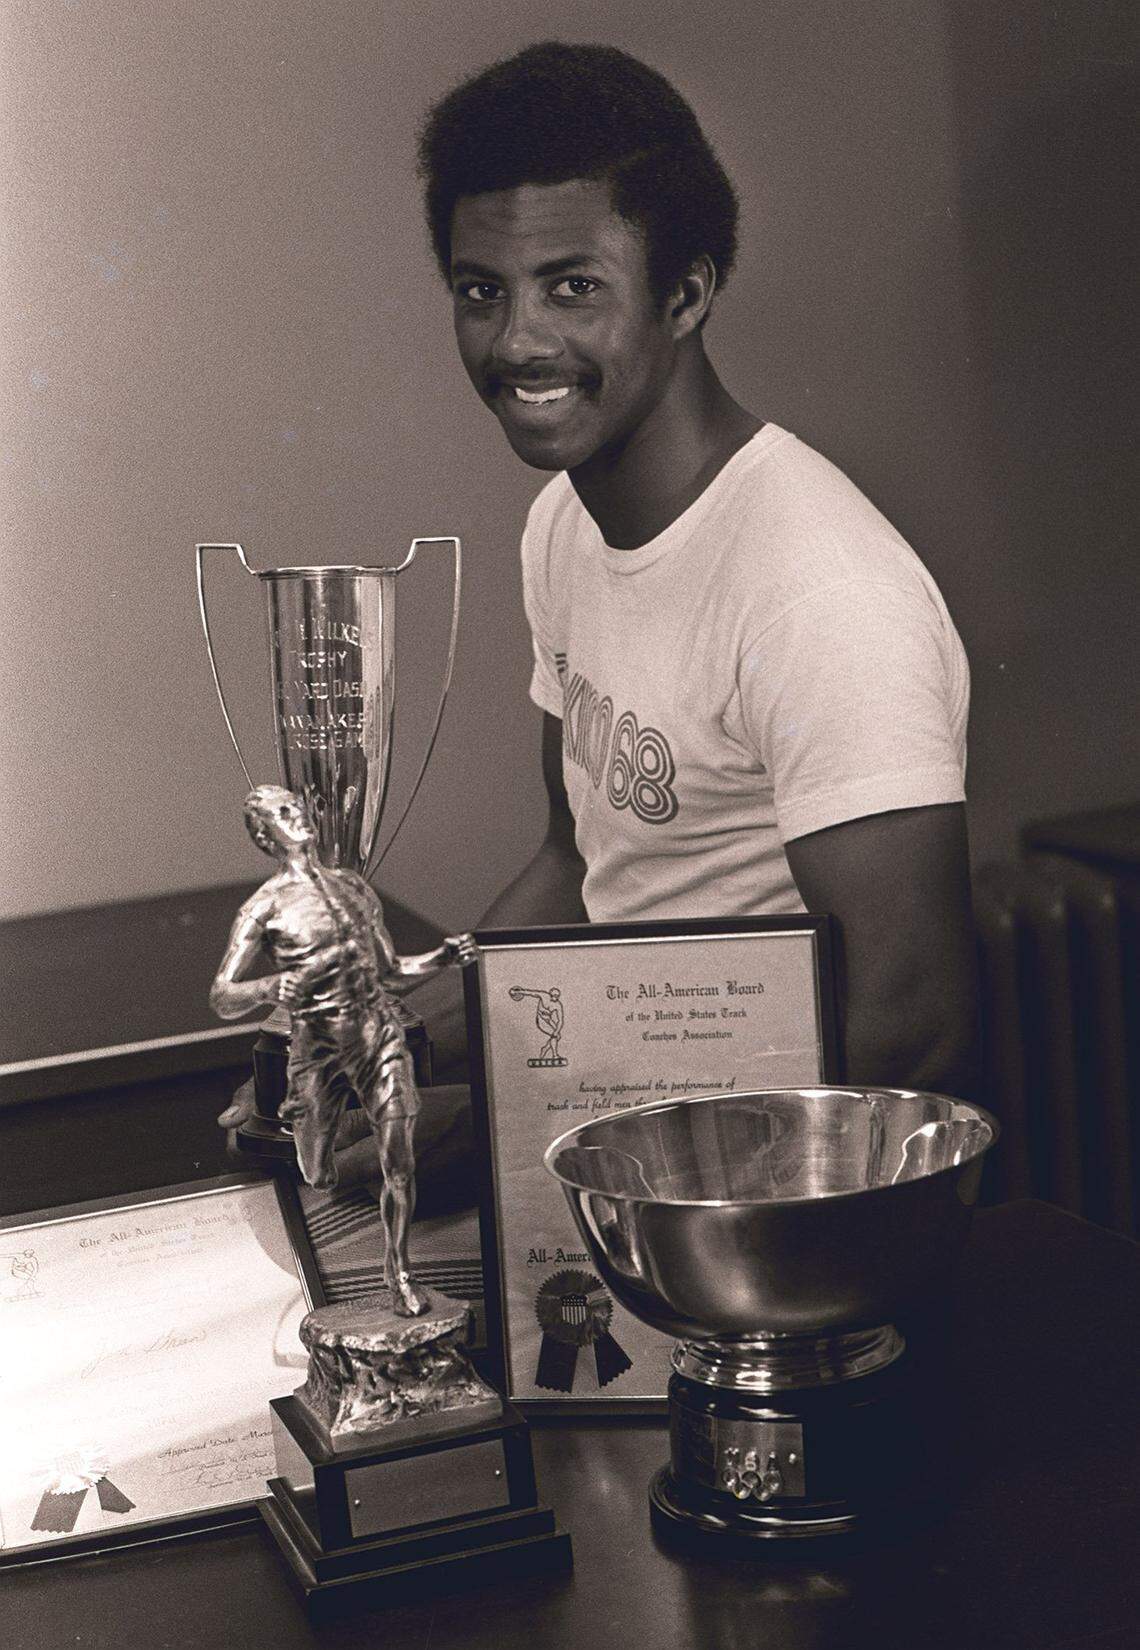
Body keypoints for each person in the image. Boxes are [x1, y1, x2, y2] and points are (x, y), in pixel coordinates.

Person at [415, 41, 977, 1096]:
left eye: (572, 287)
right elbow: (582, 869)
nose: (518, 341)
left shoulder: (822, 593)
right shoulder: (561, 527)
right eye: (481, 290)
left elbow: (909, 1030)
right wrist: (410, 1041)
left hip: (792, 1215)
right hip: (626, 1138)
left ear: (685, 296)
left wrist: (512, 1139)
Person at [210, 784, 475, 1315]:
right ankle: (319, 1163)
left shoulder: (353, 890)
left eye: (296, 806)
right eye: (282, 814)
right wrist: (265, 989)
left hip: (378, 1035)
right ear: (265, 836)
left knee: (399, 1158)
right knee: (318, 1172)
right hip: (317, 1046)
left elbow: (392, 972)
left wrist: (442, 958)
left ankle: (398, 1274)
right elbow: (222, 995)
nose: (297, 816)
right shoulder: (263, 910)